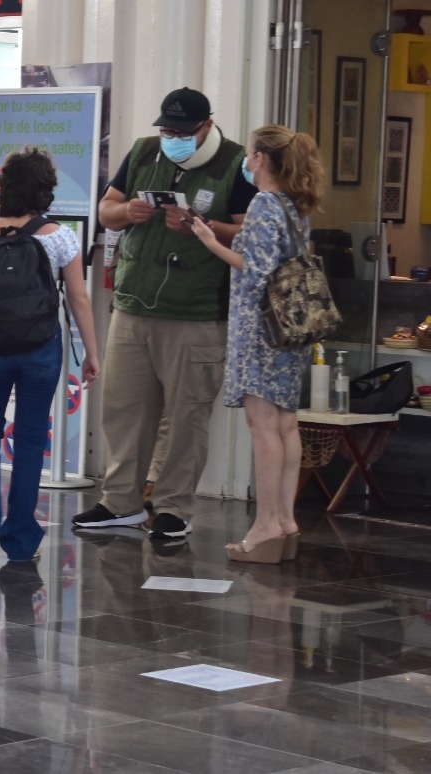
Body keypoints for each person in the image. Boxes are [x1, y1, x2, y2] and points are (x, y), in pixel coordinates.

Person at [72, 87, 255, 540]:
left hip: (197, 312)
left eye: (182, 131)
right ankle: (120, 502)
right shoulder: (143, 152)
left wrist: (202, 226)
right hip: (133, 304)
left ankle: (174, 506)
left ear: (206, 126)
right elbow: (106, 209)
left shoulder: (235, 163)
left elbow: (249, 233)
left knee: (187, 415)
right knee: (124, 409)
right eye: (167, 129)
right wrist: (125, 212)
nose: (172, 137)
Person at [0, 149, 99, 563]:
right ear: (45, 190)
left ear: (2, 190)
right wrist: (91, 353)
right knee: (32, 437)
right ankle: (20, 538)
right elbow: (78, 298)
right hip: (40, 351)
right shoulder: (58, 237)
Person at [191, 124, 323, 563]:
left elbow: (255, 266)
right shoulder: (294, 206)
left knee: (263, 428)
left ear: (262, 159)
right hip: (290, 330)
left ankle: (266, 525)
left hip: (261, 330)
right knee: (286, 425)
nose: (245, 162)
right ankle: (285, 521)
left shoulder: (265, 203)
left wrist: (211, 242)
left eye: (249, 155)